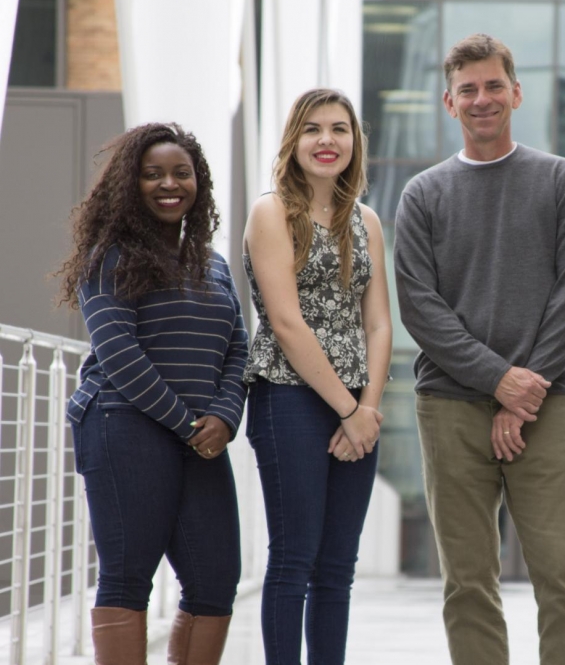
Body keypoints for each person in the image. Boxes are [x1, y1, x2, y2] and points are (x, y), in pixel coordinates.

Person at [394, 33, 565, 665]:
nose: (481, 99)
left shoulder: (561, 181)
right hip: (450, 406)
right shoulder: (422, 195)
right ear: (448, 104)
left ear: (516, 91)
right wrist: (497, 381)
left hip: (546, 405)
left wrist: (522, 390)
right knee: (467, 583)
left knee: (563, 576)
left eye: (492, 86)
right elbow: (419, 307)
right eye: (467, 90)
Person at [57, 122, 249, 665]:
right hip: (124, 426)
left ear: (198, 182)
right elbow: (118, 353)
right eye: (152, 174)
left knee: (215, 581)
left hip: (203, 436)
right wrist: (189, 424)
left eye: (181, 173)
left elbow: (239, 346)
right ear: (130, 185)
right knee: (128, 575)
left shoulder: (211, 263)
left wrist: (225, 416)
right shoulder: (108, 257)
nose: (169, 184)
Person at [242, 87, 391, 664]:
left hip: (358, 407)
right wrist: (348, 412)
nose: (327, 141)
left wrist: (368, 409)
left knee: (337, 569)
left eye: (339, 129)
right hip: (289, 399)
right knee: (294, 558)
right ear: (293, 140)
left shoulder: (367, 221)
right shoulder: (272, 211)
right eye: (313, 129)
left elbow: (378, 324)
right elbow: (285, 322)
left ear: (355, 142)